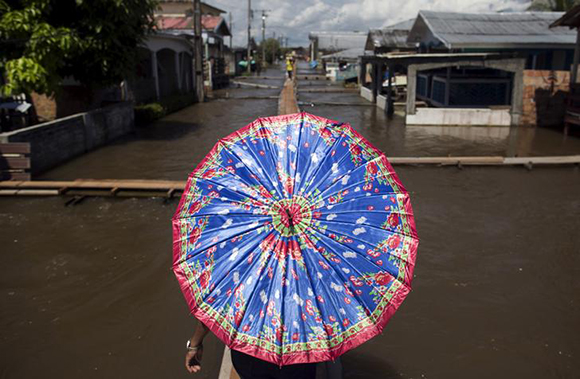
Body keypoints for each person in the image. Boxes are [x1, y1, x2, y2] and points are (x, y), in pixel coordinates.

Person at [184, 318, 322, 379]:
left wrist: (194, 345)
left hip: (249, 353)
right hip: (296, 356)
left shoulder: (237, 260)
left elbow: (212, 308)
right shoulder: (316, 264)